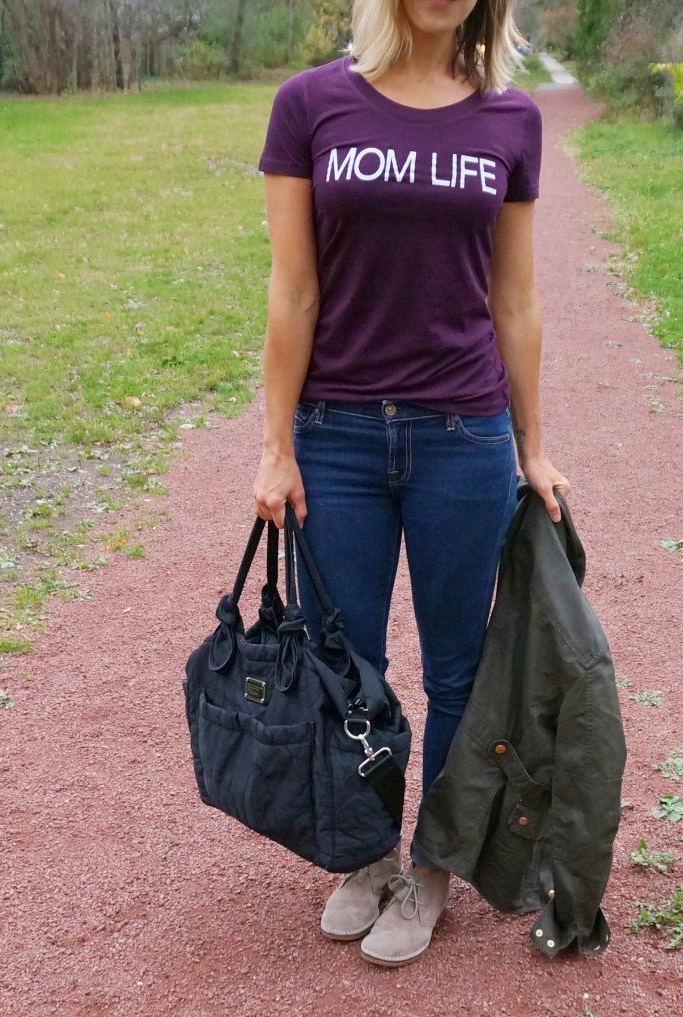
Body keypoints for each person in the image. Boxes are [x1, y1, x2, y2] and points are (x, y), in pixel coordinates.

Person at [252, 0, 570, 968]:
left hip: (460, 436)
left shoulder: (509, 120)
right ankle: (363, 855)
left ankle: (430, 867)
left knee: (456, 672)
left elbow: (513, 297)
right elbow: (292, 288)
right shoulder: (309, 105)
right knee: (344, 664)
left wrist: (532, 443)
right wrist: (275, 444)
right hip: (336, 433)